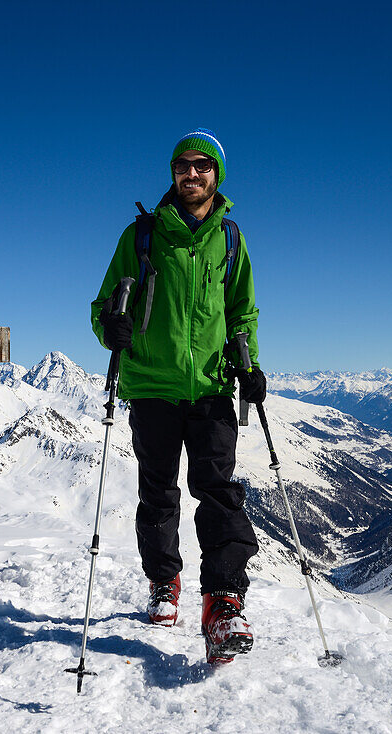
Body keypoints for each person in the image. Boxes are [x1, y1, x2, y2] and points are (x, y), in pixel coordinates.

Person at [90, 128, 266, 664]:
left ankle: (224, 602)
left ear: (217, 175)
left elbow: (243, 312)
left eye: (203, 165)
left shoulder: (231, 240)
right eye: (183, 165)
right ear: (172, 173)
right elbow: (104, 305)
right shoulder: (141, 236)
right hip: (152, 387)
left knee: (217, 491)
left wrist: (250, 364)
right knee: (159, 492)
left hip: (213, 387)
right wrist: (111, 331)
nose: (193, 173)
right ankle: (164, 582)